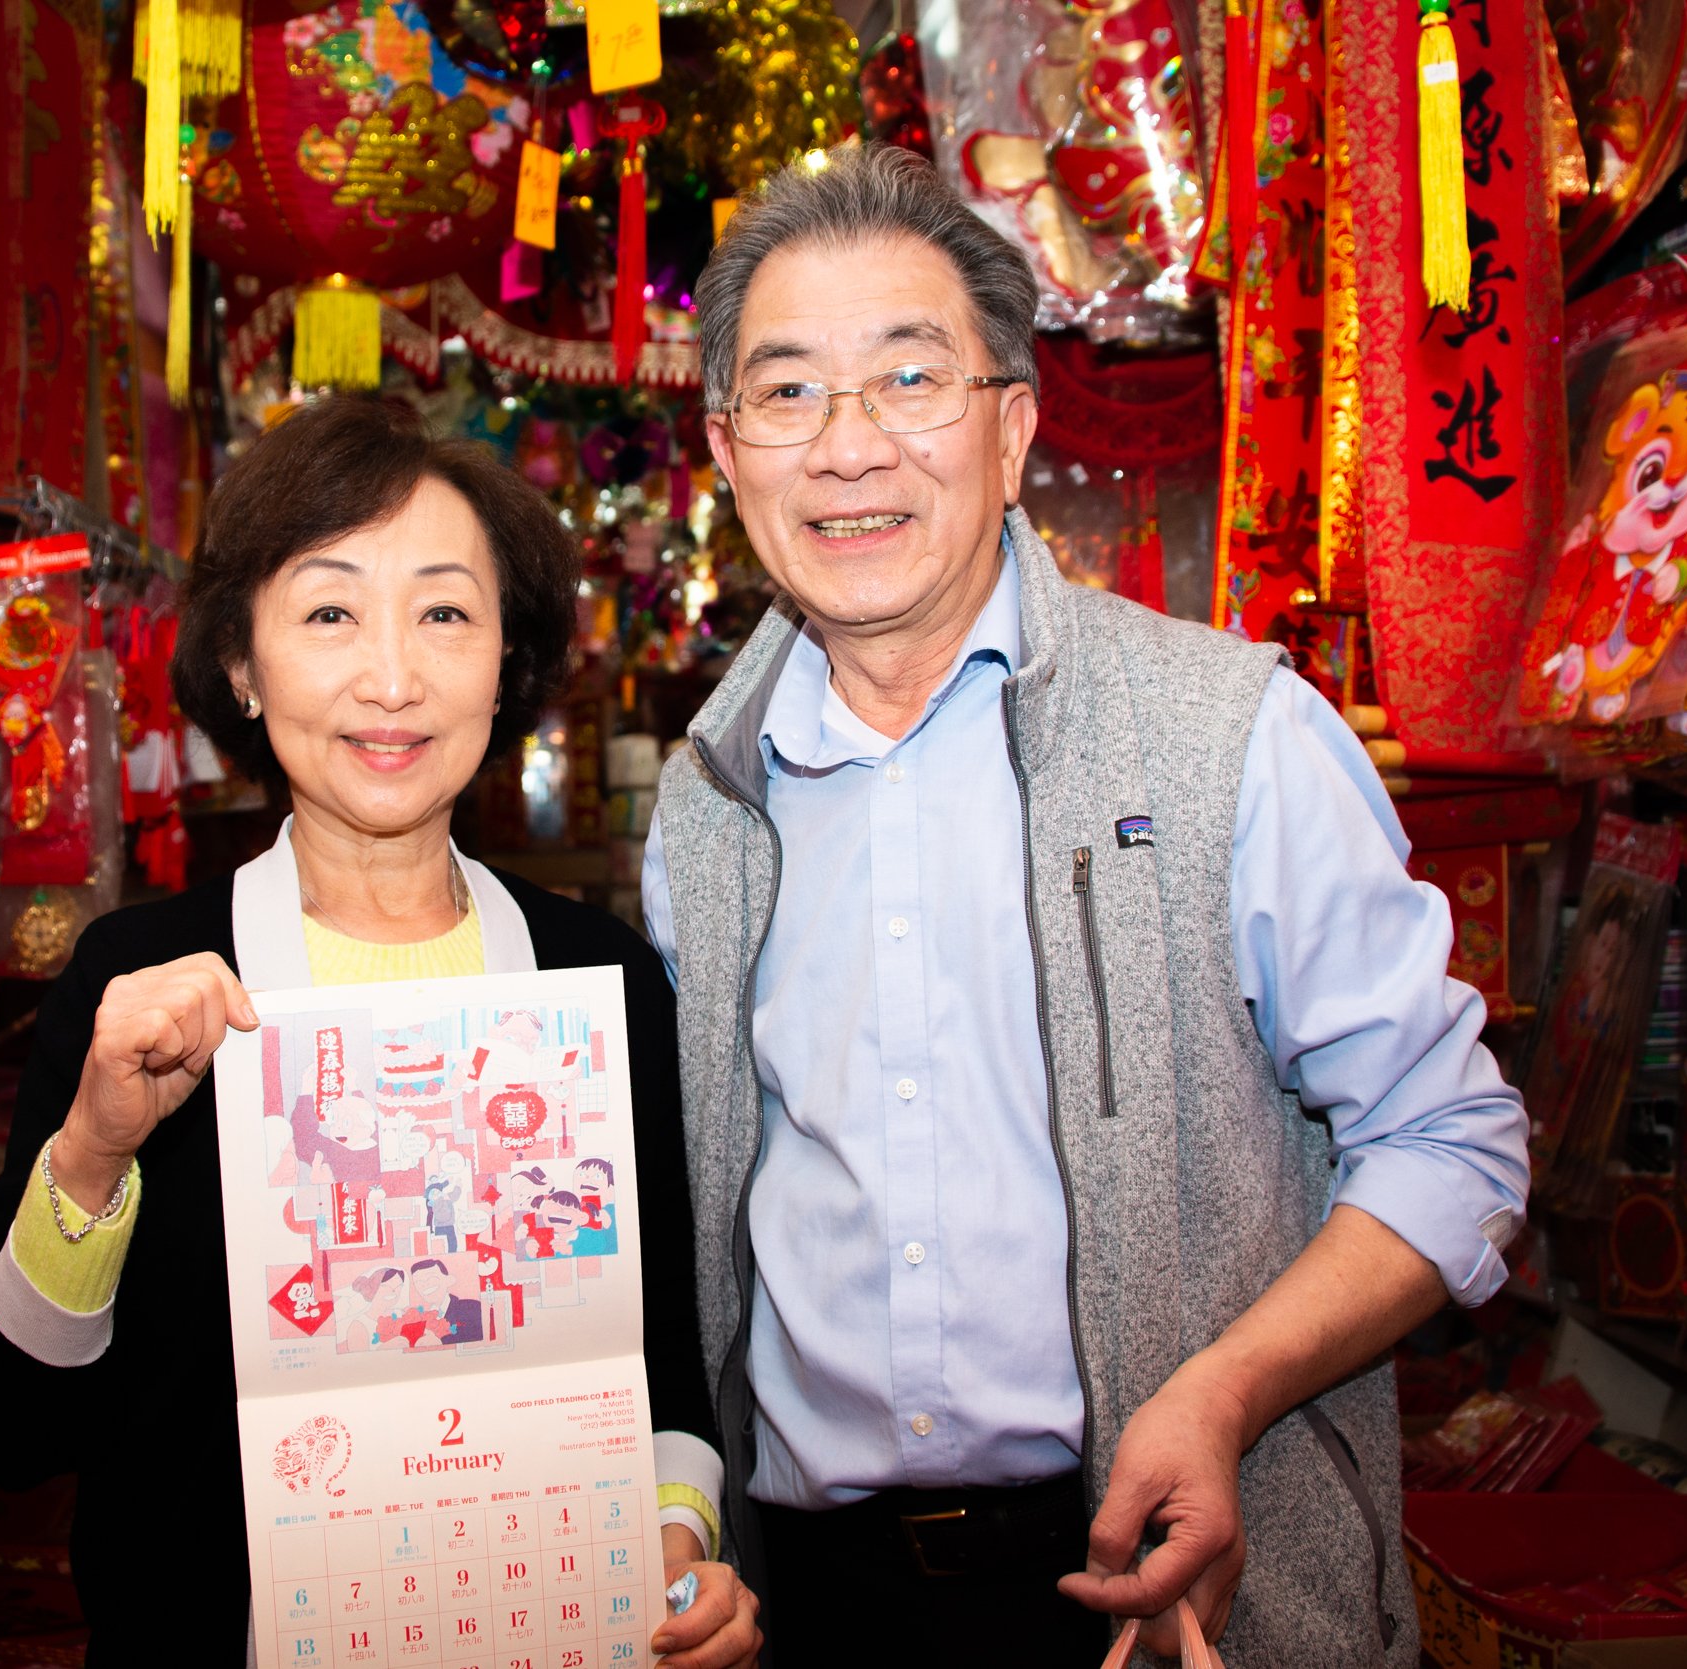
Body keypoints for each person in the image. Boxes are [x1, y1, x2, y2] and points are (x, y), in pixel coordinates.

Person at [643, 143, 1530, 1665]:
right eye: (787, 392)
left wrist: (1222, 1390)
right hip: (811, 1604)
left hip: (1173, 1573)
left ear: (1012, 427)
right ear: (730, 453)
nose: (848, 448)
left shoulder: (1228, 734)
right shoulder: (702, 807)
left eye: (911, 379)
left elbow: (1454, 1143)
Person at [0, 398, 762, 1667]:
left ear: (506, 664)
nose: (392, 677)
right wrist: (93, 1153)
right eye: (329, 613)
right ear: (247, 667)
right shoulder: (143, 984)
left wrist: (677, 1541)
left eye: (444, 613)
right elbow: (3, 1429)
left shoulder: (597, 985)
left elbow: (660, 1373)